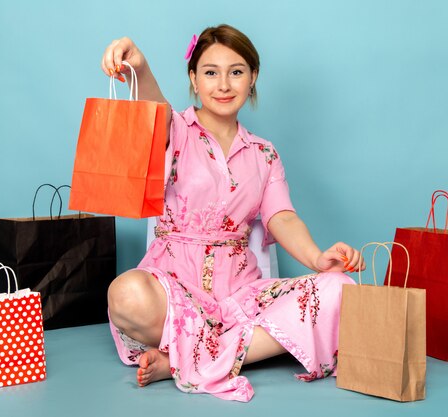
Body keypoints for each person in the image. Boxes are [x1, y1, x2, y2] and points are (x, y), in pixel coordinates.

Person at [103, 24, 366, 402]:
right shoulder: (176, 129)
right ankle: (209, 352)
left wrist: (317, 258)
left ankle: (184, 358)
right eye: (210, 72)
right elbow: (154, 109)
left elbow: (283, 217)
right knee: (125, 294)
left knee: (340, 287)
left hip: (241, 296)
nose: (223, 84)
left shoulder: (264, 153)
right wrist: (140, 67)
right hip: (174, 290)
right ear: (193, 79)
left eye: (236, 71)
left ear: (253, 77)